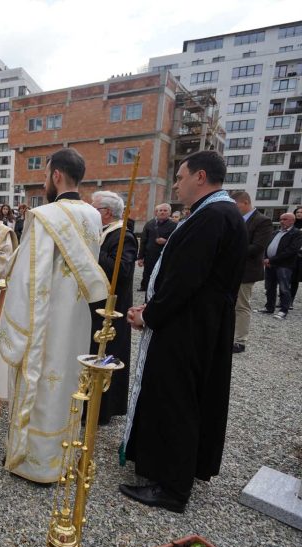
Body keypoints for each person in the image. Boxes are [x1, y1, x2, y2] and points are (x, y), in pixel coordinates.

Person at [120, 150, 247, 513]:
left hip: (188, 327)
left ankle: (172, 488)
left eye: (180, 176)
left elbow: (185, 279)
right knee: (182, 396)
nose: (176, 183)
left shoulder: (213, 216)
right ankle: (167, 468)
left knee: (178, 399)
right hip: (196, 322)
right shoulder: (217, 213)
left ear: (201, 177)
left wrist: (151, 315)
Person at [0, 148, 108, 483]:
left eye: (46, 174)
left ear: (56, 175)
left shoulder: (46, 215)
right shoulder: (93, 215)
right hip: (76, 317)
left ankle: (33, 462)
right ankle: (62, 457)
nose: (45, 181)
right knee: (67, 384)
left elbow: (30, 277)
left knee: (43, 382)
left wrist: (16, 320)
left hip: (46, 319)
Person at [88, 191, 137, 425]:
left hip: (111, 310)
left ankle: (102, 410)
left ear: (105, 212)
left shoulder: (123, 235)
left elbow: (123, 273)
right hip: (96, 306)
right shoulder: (104, 232)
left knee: (106, 357)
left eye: (93, 207)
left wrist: (93, 249)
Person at [231, 192, 271, 353]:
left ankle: (240, 341)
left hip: (246, 271)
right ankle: (230, 335)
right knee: (230, 305)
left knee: (242, 305)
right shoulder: (236, 220)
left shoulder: (262, 221)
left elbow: (258, 247)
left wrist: (230, 251)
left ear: (245, 202)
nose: (233, 209)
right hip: (232, 270)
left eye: (236, 205)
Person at [256, 213, 302, 320]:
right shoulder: (276, 232)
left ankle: (283, 310)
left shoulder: (296, 234)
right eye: (281, 219)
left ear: (292, 221)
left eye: (285, 219)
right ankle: (269, 307)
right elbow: (267, 245)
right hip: (270, 264)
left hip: (284, 265)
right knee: (270, 287)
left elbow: (291, 250)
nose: (282, 221)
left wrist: (271, 259)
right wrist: (265, 257)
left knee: (284, 288)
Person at [137, 203, 175, 291]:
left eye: (165, 211)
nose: (162, 212)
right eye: (160, 210)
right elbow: (143, 241)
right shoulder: (150, 224)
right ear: (156, 212)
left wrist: (166, 241)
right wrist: (140, 257)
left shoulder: (174, 225)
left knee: (162, 275)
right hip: (149, 255)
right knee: (147, 274)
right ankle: (145, 288)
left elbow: (177, 241)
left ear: (169, 213)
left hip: (165, 256)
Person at [289, 205, 302, 308]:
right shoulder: (290, 226)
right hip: (289, 255)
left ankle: (290, 300)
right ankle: (283, 299)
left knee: (294, 279)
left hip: (299, 256)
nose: (299, 214)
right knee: (285, 277)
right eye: (297, 212)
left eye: (301, 212)